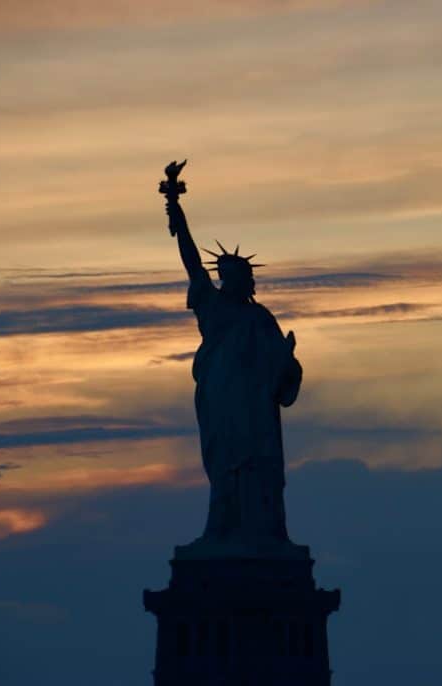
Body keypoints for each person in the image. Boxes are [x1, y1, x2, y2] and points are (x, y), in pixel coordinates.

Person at [163, 164, 303, 555]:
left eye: (242, 276)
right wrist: (174, 204)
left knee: (262, 469)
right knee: (225, 468)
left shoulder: (260, 318)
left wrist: (286, 361)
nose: (238, 280)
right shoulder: (211, 305)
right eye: (228, 274)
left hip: (256, 408)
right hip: (222, 400)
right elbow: (190, 257)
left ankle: (266, 535)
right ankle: (219, 531)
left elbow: (282, 371)